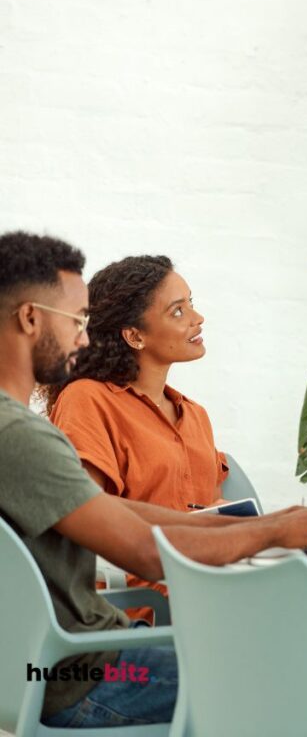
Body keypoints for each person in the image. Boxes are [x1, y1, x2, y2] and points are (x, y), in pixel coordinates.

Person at [0, 232, 307, 736]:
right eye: (76, 321)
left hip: (77, 662)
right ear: (31, 318)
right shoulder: (20, 433)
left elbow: (121, 513)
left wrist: (277, 522)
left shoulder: (18, 429)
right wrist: (271, 534)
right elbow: (142, 551)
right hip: (84, 674)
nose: (84, 337)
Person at [45, 255, 224, 601]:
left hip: (208, 596)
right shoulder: (88, 401)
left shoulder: (195, 415)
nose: (197, 319)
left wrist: (256, 526)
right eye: (177, 311)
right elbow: (84, 521)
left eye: (192, 304)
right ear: (134, 336)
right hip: (135, 611)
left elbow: (207, 506)